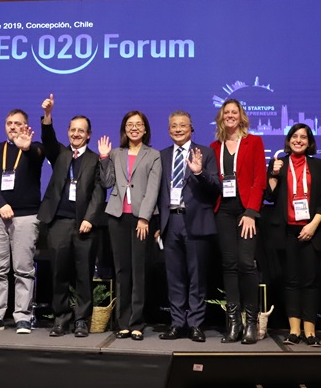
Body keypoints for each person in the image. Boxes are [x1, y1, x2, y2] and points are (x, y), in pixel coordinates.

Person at [38, 94, 106, 338]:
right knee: (59, 273)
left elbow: (99, 192)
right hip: (58, 222)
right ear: (68, 132)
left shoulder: (95, 159)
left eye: (81, 131)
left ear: (88, 135)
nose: (76, 134)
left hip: (84, 224)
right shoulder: (60, 154)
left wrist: (89, 218)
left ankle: (81, 321)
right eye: (73, 130)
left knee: (84, 275)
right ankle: (61, 319)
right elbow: (48, 138)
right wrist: (47, 116)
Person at [157, 111, 221, 343]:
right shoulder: (162, 156)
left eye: (183, 125)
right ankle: (177, 323)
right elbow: (157, 192)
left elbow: (216, 187)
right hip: (170, 221)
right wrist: (158, 224)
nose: (178, 129)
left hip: (195, 222)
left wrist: (199, 172)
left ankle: (195, 324)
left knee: (197, 276)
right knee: (174, 277)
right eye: (174, 126)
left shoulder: (205, 153)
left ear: (191, 128)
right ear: (168, 130)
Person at [0, 109, 45, 334]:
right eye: (9, 123)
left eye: (18, 123)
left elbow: (38, 155)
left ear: (26, 126)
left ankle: (23, 317)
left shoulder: (34, 149)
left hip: (26, 217)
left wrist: (26, 147)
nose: (13, 127)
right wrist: (0, 204)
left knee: (23, 269)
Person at [98, 110, 161, 341]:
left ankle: (137, 322)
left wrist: (144, 218)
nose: (134, 128)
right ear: (124, 129)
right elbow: (106, 182)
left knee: (138, 270)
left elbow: (153, 189)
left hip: (141, 219)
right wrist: (104, 158)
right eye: (130, 124)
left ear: (145, 129)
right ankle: (123, 322)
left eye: (138, 124)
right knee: (122, 270)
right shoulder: (116, 153)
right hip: (117, 217)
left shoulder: (153, 155)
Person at [265, 123, 321, 347]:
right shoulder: (279, 164)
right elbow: (270, 196)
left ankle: (310, 332)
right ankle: (294, 331)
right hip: (287, 232)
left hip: (312, 229)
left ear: (309, 142)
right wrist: (273, 175)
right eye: (295, 136)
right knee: (291, 281)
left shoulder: (319, 165)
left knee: (310, 282)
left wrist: (313, 225)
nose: (298, 140)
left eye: (303, 137)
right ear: (288, 140)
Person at [210, 99, 266, 344]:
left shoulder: (254, 142)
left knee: (246, 263)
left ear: (241, 116)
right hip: (223, 211)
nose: (230, 116)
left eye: (234, 112)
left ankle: (251, 322)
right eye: (226, 113)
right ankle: (234, 324)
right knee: (229, 265)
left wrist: (251, 212)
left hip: (246, 211)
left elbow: (259, 179)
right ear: (221, 117)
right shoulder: (214, 146)